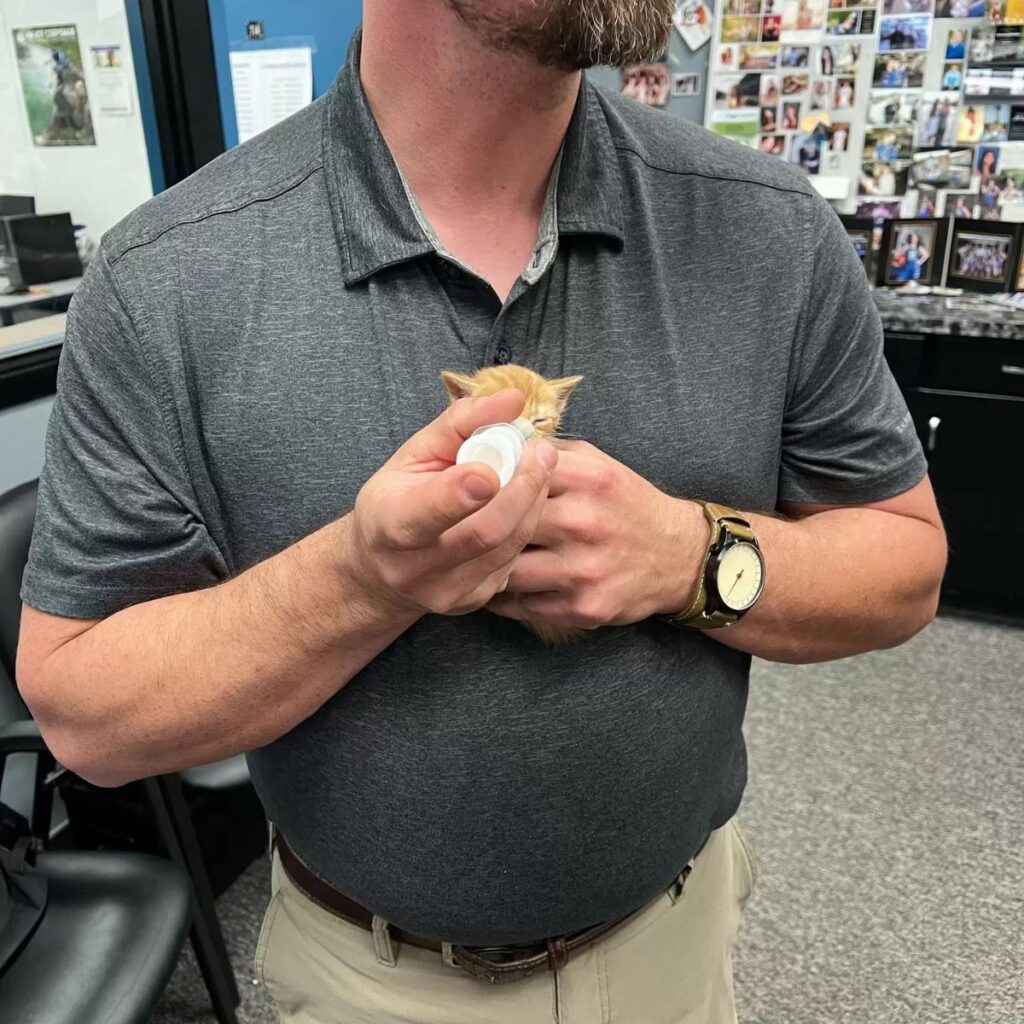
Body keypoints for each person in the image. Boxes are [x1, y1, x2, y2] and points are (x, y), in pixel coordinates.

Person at [16, 3, 946, 1023]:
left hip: (675, 945)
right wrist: (362, 580)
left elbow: (903, 565)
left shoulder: (770, 225)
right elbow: (83, 712)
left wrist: (692, 557)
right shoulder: (166, 278)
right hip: (361, 979)